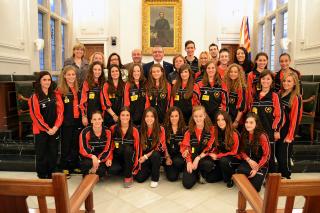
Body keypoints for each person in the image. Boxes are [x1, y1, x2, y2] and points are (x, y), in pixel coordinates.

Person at [28, 71, 64, 179]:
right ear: (39, 81)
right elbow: (36, 116)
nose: (47, 82)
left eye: (49, 80)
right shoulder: (34, 97)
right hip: (41, 131)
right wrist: (47, 129)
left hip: (54, 129)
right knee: (42, 153)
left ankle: (52, 172)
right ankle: (42, 174)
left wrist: (56, 127)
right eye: (44, 79)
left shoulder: (56, 95)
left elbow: (60, 112)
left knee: (53, 151)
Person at [249, 70, 282, 173]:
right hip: (257, 131)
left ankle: (271, 177)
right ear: (260, 80)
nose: (265, 81)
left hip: (269, 131)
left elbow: (279, 115)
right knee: (259, 153)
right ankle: (260, 175)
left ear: (272, 81)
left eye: (268, 79)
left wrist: (276, 130)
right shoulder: (255, 96)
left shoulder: (274, 96)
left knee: (270, 155)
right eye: (263, 79)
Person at [180, 106, 217, 189]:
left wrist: (198, 158)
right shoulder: (189, 131)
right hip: (191, 158)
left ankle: (201, 171)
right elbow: (185, 148)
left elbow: (209, 148)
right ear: (193, 117)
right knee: (187, 184)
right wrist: (189, 161)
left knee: (208, 164)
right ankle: (195, 173)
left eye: (200, 116)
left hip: (203, 158)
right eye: (195, 116)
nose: (198, 118)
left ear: (204, 116)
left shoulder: (211, 130)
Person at [57, 66, 81, 177]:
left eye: (73, 74)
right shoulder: (60, 90)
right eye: (69, 74)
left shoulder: (77, 89)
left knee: (75, 144)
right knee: (66, 144)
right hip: (66, 122)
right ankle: (64, 167)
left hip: (77, 120)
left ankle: (74, 165)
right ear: (64, 76)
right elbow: (59, 108)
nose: (71, 76)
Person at [278, 71, 302, 179]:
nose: (286, 83)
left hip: (287, 131)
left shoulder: (296, 97)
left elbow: (295, 119)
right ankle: (279, 178)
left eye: (289, 81)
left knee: (284, 157)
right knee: (278, 155)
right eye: (284, 81)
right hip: (278, 130)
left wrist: (290, 135)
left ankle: (286, 176)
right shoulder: (279, 93)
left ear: (294, 83)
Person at [135, 107, 168, 188]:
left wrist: (146, 156)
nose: (149, 118)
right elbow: (137, 147)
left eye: (152, 116)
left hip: (154, 156)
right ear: (144, 118)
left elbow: (160, 147)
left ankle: (155, 178)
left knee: (156, 154)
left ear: (155, 118)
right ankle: (150, 170)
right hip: (143, 158)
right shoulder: (139, 129)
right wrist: (139, 159)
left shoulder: (161, 129)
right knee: (139, 178)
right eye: (147, 116)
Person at [237, 113, 270, 192]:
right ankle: (251, 177)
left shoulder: (262, 136)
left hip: (260, 164)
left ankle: (259, 176)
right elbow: (241, 151)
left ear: (256, 124)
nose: (248, 125)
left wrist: (256, 168)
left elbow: (266, 155)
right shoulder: (244, 134)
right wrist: (249, 160)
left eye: (251, 122)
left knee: (255, 189)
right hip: (248, 162)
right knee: (239, 170)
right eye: (246, 122)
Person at [109, 107, 141, 187]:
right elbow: (110, 146)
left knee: (128, 149)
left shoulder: (134, 130)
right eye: (123, 115)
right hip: (118, 157)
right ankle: (124, 170)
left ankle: (128, 176)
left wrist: (136, 165)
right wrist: (109, 158)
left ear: (130, 117)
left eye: (127, 115)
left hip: (130, 157)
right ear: (119, 116)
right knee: (112, 170)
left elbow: (137, 149)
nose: (125, 117)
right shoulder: (113, 129)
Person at [210, 111, 240, 188]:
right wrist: (213, 153)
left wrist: (218, 156)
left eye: (223, 119)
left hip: (234, 158)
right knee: (210, 179)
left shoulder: (234, 133)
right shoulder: (215, 131)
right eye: (218, 120)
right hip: (222, 157)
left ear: (227, 120)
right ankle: (224, 173)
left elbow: (234, 152)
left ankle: (233, 177)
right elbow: (214, 146)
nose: (220, 122)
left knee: (223, 161)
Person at [79, 111, 112, 178]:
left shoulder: (108, 132)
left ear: (102, 120)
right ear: (91, 121)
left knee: (102, 171)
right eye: (94, 119)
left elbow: (107, 150)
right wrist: (93, 157)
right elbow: (83, 149)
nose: (97, 121)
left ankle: (95, 172)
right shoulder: (85, 132)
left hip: (101, 157)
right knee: (86, 164)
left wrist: (98, 161)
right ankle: (87, 172)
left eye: (99, 119)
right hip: (89, 157)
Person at [163, 107, 187, 181]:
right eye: (172, 116)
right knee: (172, 178)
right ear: (169, 117)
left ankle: (182, 169)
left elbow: (186, 146)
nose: (174, 118)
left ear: (180, 117)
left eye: (176, 116)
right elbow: (163, 145)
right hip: (169, 156)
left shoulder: (184, 129)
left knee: (178, 162)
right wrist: (167, 157)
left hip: (180, 157)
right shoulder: (164, 129)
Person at [80, 61, 106, 126]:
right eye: (95, 69)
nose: (97, 71)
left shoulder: (104, 83)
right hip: (90, 116)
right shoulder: (86, 83)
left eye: (99, 69)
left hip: (102, 116)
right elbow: (83, 102)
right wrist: (84, 116)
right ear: (91, 70)